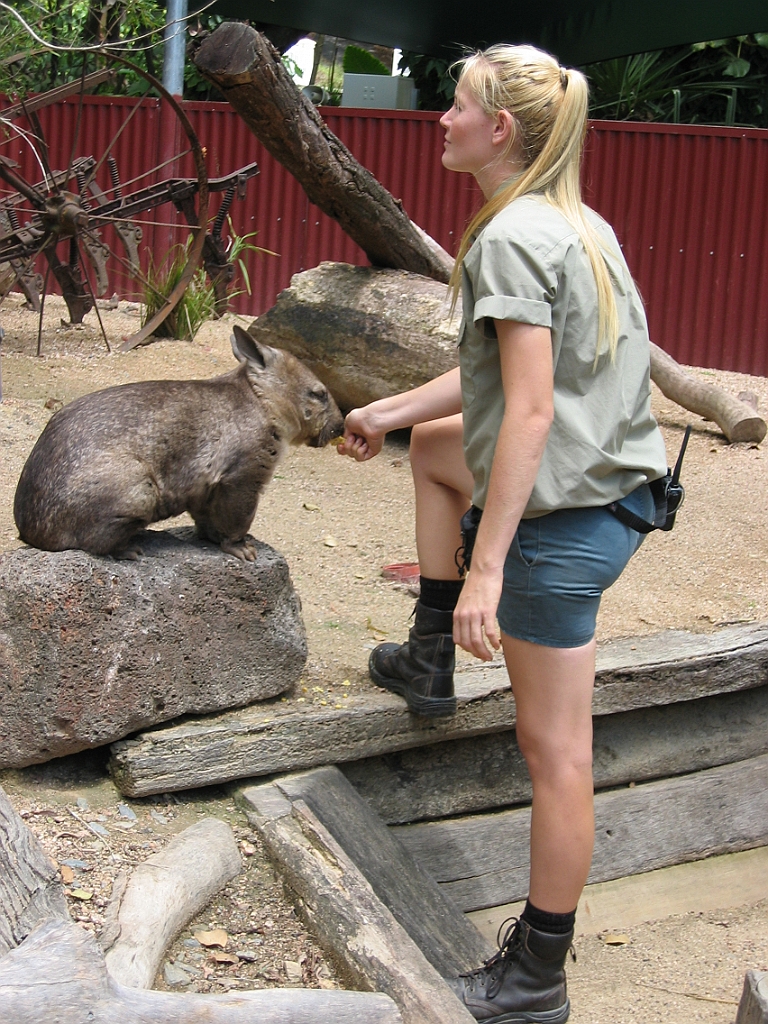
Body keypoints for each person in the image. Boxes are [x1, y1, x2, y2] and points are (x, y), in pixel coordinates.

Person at [338, 42, 668, 1024]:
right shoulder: (572, 222)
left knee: (557, 751)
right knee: (439, 450)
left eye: (458, 105)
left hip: (562, 526)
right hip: (614, 488)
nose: (440, 117)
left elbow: (525, 414)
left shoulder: (513, 238)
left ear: (501, 130)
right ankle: (427, 655)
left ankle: (535, 976)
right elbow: (496, 387)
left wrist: (488, 569)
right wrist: (388, 411)